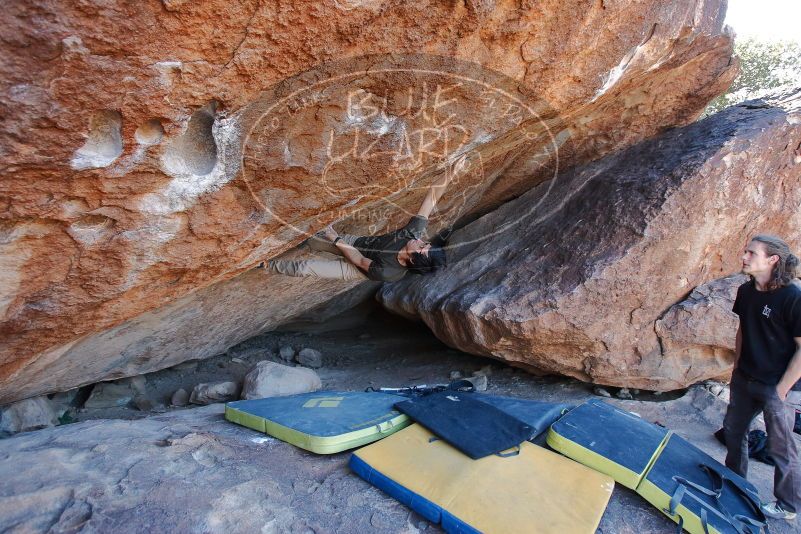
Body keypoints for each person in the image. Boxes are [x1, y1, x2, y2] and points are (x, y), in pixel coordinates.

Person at [263, 154, 467, 282]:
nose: (421, 241)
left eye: (422, 248)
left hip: (357, 267)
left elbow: (359, 260)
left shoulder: (388, 273)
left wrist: (334, 237)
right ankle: (283, 242)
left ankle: (266, 265)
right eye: (426, 243)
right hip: (357, 243)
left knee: (305, 268)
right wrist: (451, 173)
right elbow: (431, 199)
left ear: (414, 259)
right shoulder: (412, 234)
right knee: (312, 242)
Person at [723, 234, 801, 522]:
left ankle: (788, 506)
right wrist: (737, 365)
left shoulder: (793, 296)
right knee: (733, 431)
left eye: (751, 253)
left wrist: (781, 390)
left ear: (772, 260)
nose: (744, 257)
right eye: (745, 251)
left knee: (780, 447)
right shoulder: (746, 291)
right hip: (746, 376)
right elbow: (743, 328)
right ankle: (734, 484)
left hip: (778, 385)